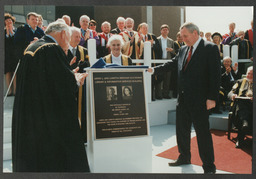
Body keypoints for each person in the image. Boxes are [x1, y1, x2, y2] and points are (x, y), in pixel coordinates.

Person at [12, 20, 90, 172]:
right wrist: (76, 80)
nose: (69, 44)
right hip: (47, 117)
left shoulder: (33, 47)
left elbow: (49, 80)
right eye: (68, 38)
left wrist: (69, 75)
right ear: (62, 34)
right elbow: (63, 86)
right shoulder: (52, 48)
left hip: (32, 113)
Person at [148, 22, 221, 174]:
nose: (183, 39)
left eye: (185, 36)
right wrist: (154, 70)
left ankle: (209, 166)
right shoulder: (182, 49)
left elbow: (215, 75)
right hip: (183, 99)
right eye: (182, 36)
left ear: (195, 33)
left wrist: (212, 98)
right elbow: (172, 64)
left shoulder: (210, 48)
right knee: (182, 130)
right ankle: (184, 157)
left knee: (202, 134)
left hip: (201, 101)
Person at [67, 26, 90, 143]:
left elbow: (87, 65)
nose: (78, 39)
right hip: (66, 86)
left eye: (79, 37)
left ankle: (81, 137)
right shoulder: (62, 49)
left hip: (80, 86)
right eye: (76, 36)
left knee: (80, 110)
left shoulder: (84, 51)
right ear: (69, 36)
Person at [228, 66, 253, 148]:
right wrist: (233, 95)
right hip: (239, 109)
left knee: (244, 114)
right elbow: (230, 93)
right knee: (241, 103)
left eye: (252, 74)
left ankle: (241, 136)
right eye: (248, 73)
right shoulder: (239, 82)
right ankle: (244, 123)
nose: (249, 75)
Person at [137, 22, 162, 101]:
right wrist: (139, 42)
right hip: (141, 61)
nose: (145, 29)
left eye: (146, 28)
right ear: (140, 29)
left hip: (151, 60)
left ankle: (151, 96)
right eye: (143, 28)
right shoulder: (137, 36)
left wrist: (152, 44)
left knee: (152, 79)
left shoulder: (152, 36)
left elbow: (158, 48)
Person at [157, 24, 176, 99]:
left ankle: (165, 94)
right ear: (161, 31)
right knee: (159, 79)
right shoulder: (157, 40)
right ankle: (158, 95)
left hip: (168, 61)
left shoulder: (171, 41)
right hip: (159, 61)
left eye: (166, 30)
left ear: (168, 31)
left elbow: (174, 52)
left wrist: (171, 50)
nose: (165, 31)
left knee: (167, 79)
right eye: (163, 29)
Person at [4, 13, 17, 96]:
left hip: (15, 53)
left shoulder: (17, 30)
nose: (9, 22)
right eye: (7, 21)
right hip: (7, 54)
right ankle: (9, 90)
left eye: (10, 20)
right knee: (8, 72)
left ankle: (16, 90)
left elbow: (16, 40)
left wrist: (11, 30)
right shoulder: (3, 31)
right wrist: (7, 31)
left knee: (15, 72)